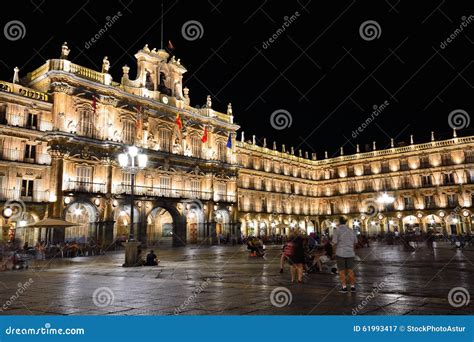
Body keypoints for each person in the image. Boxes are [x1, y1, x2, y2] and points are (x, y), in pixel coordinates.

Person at [332, 216, 358, 293]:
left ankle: (344, 287)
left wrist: (333, 253)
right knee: (350, 271)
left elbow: (334, 243)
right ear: (346, 222)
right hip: (350, 253)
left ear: (339, 222)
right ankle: (353, 287)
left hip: (340, 253)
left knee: (341, 271)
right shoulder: (351, 230)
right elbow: (355, 243)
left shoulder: (337, 230)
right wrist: (352, 251)